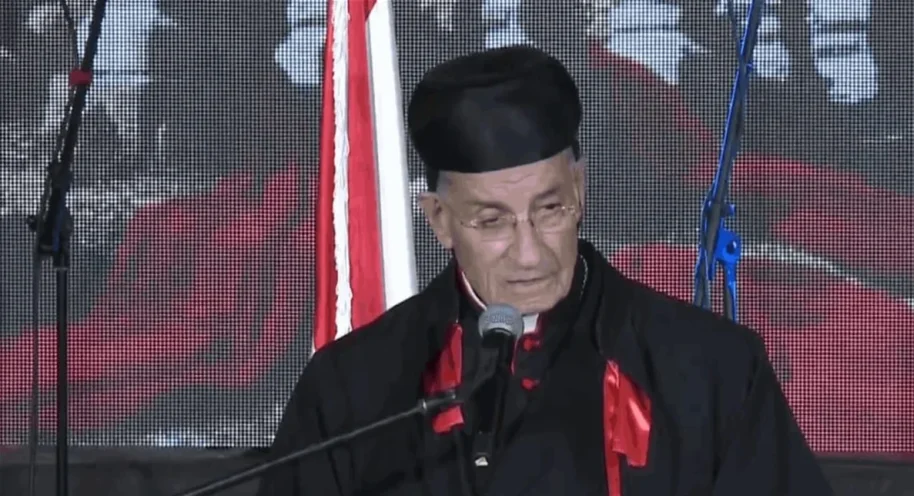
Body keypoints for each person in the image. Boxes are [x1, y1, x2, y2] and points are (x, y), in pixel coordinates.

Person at [259, 45, 832, 495]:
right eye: (492, 222)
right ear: (440, 220)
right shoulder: (353, 390)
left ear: (580, 191)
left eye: (550, 210)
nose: (530, 253)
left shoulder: (714, 369)